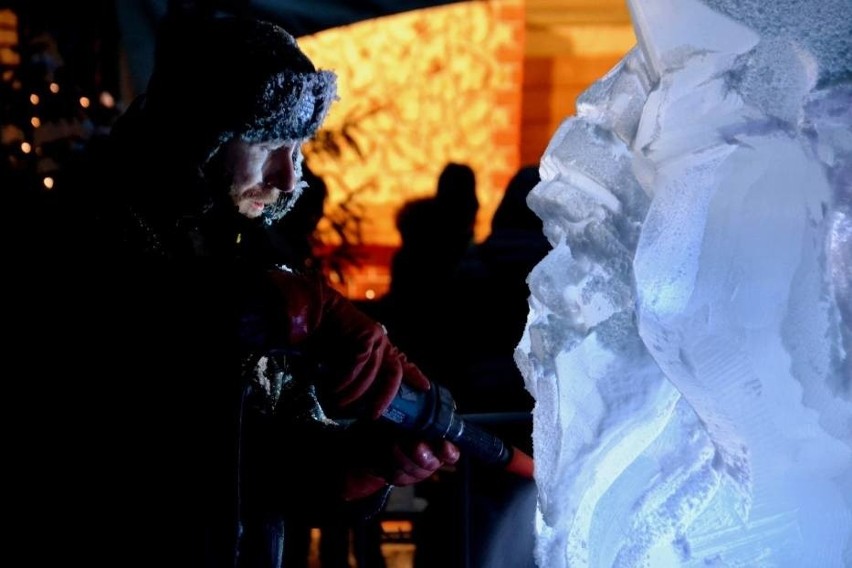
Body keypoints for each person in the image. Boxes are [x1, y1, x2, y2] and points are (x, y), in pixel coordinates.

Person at [20, 11, 458, 568]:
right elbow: (148, 396)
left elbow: (255, 456)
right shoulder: (92, 232)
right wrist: (284, 309)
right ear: (202, 132)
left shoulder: (250, 251)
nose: (288, 178)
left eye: (297, 148)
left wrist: (358, 464)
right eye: (270, 143)